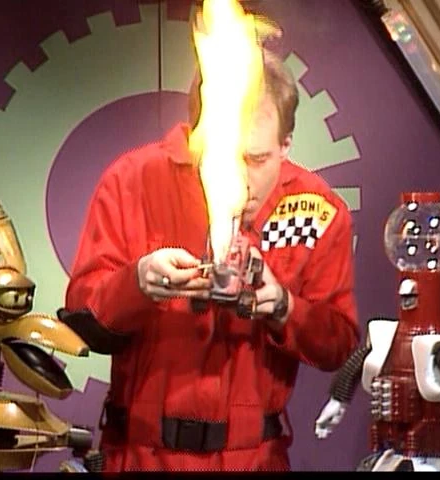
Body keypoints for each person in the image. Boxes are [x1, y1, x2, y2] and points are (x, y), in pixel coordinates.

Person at [62, 46, 360, 471]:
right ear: (197, 134)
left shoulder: (316, 211)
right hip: (142, 456)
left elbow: (338, 345)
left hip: (253, 460)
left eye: (256, 160)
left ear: (285, 146)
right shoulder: (133, 182)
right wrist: (137, 284)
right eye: (221, 157)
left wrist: (283, 307)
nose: (238, 181)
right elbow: (82, 316)